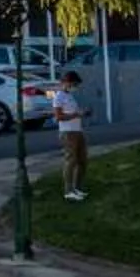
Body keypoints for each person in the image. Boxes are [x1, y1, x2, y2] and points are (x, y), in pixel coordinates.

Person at [54, 70, 89, 200]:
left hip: (77, 130)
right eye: (74, 84)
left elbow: (72, 112)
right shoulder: (59, 97)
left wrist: (82, 113)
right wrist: (76, 114)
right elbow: (58, 117)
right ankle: (68, 191)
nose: (75, 87)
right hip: (68, 132)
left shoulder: (70, 96)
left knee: (82, 160)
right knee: (71, 160)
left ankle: (77, 187)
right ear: (67, 82)